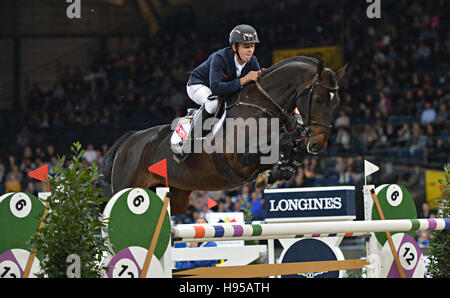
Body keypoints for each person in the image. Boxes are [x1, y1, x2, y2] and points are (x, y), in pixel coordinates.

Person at [171, 24, 262, 157]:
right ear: (234, 47)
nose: (250, 50)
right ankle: (188, 138)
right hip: (198, 85)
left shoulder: (253, 61)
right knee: (213, 104)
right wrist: (244, 80)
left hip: (223, 91)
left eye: (252, 46)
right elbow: (216, 88)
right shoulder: (220, 58)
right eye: (246, 47)